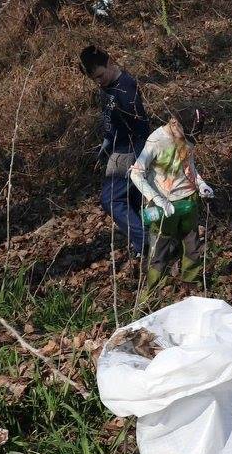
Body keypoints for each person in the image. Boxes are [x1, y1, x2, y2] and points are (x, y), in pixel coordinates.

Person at [81, 45, 154, 254]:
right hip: (117, 147)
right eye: (94, 79)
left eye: (101, 75)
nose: (99, 81)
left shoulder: (126, 86)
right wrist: (107, 139)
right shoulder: (108, 87)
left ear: (110, 63)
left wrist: (137, 155)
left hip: (130, 147)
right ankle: (146, 243)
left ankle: (145, 238)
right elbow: (110, 119)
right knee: (132, 198)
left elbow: (139, 123)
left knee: (111, 199)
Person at [129, 112, 212, 285]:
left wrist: (201, 184)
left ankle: (191, 284)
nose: (187, 139)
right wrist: (157, 199)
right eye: (185, 133)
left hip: (189, 201)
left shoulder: (188, 135)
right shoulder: (156, 141)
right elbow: (136, 173)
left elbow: (190, 167)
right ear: (174, 122)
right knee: (159, 249)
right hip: (163, 204)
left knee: (192, 245)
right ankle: (153, 291)